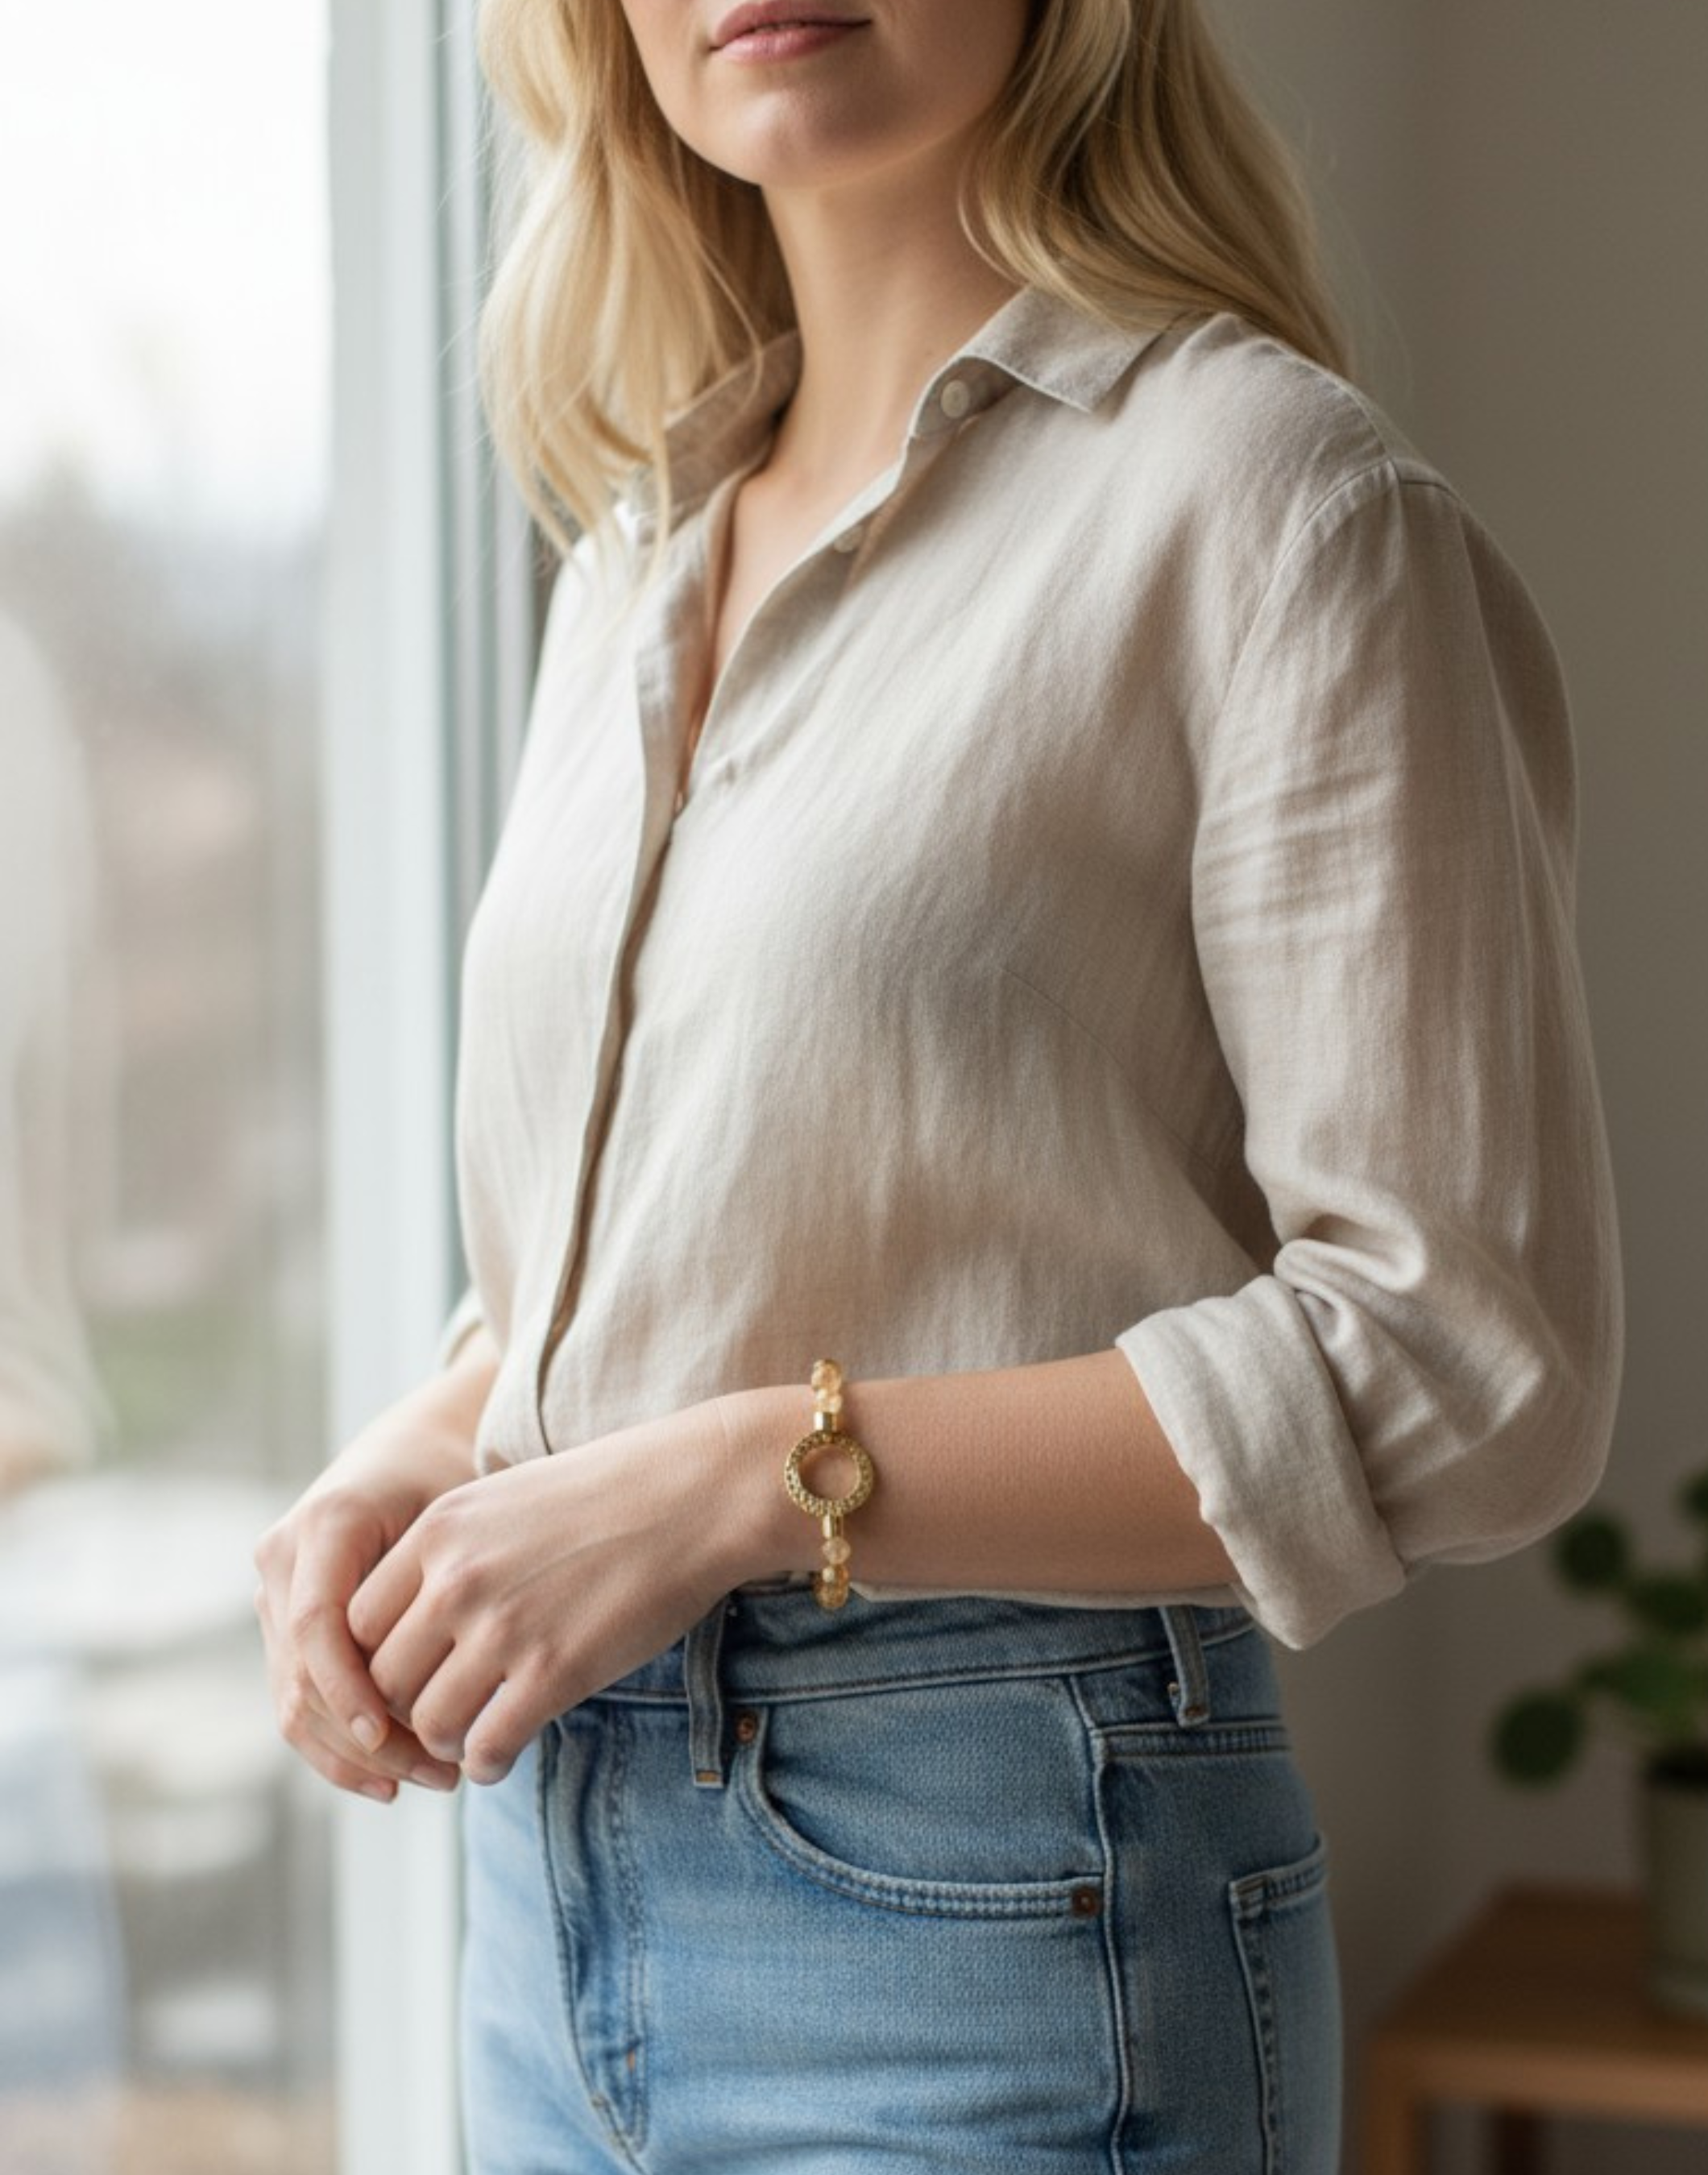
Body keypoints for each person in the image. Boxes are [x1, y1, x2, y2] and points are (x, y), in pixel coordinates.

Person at [254, 2, 1623, 2169]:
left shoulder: (1271, 501)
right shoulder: (633, 549)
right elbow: (716, 1220)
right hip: (539, 1896)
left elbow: (1470, 1358)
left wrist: (730, 1484)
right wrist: (423, 1453)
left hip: (1002, 1903)